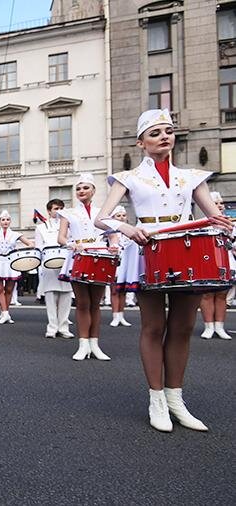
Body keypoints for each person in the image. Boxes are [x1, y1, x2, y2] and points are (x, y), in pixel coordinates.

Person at [95, 109, 231, 432]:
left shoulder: (190, 177)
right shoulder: (129, 179)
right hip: (149, 251)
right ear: (141, 142)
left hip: (186, 253)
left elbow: (213, 217)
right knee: (154, 327)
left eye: (168, 131)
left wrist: (224, 226)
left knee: (183, 327)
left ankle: (176, 399)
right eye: (155, 133)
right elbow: (102, 217)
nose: (164, 137)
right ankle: (156, 399)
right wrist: (128, 231)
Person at [58, 173, 117, 361]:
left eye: (85, 187)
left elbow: (112, 233)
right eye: (78, 188)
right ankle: (83, 344)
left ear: (93, 190)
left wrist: (114, 245)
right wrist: (71, 244)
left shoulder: (104, 212)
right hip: (79, 256)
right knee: (83, 302)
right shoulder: (68, 213)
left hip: (101, 256)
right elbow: (61, 237)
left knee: (96, 303)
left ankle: (95, 344)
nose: (81, 191)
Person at [35, 199, 75, 338]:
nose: (59, 211)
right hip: (49, 264)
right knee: (51, 297)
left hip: (66, 262)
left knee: (66, 296)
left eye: (61, 208)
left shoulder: (70, 226)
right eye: (56, 208)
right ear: (49, 211)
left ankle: (64, 327)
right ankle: (52, 327)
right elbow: (38, 248)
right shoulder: (40, 228)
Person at [197, 192, 232, 339]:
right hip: (206, 261)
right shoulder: (201, 222)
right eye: (215, 203)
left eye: (221, 203)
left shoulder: (230, 222)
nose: (219, 206)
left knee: (222, 294)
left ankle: (220, 327)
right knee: (206, 294)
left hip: (226, 260)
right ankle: (208, 326)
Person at [109, 206, 136, 327]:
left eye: (123, 215)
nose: (121, 218)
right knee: (114, 291)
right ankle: (115, 316)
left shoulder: (131, 230)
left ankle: (121, 315)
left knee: (123, 290)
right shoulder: (110, 231)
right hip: (115, 262)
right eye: (118, 216)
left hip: (126, 262)